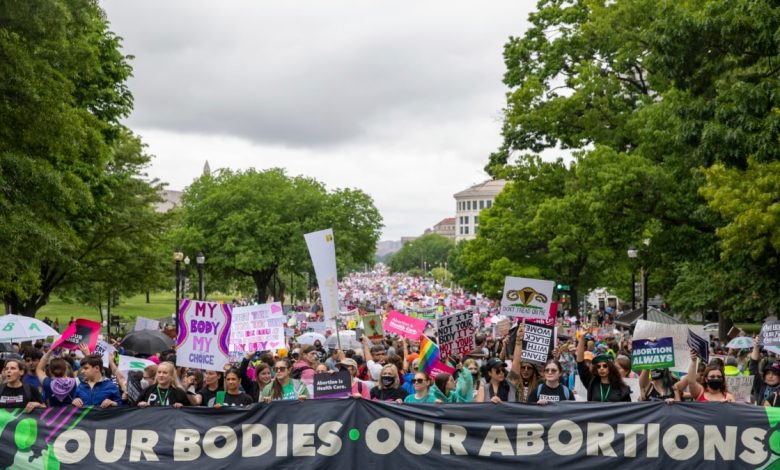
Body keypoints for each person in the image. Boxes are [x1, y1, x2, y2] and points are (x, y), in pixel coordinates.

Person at [576, 334, 631, 402]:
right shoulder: (591, 383)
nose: (601, 368)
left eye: (605, 366)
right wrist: (582, 339)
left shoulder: (621, 387)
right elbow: (580, 363)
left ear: (610, 368)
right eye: (598, 366)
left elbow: (628, 409)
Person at [507, 329, 539, 402]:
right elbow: (516, 362)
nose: (526, 370)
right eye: (523, 367)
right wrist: (519, 340)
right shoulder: (513, 382)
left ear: (534, 370)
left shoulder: (539, 385)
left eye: (529, 368)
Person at [750, 341, 780, 405]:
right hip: (761, 415)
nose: (770, 376)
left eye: (774, 374)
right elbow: (753, 368)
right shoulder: (760, 386)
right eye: (768, 373)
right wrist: (756, 347)